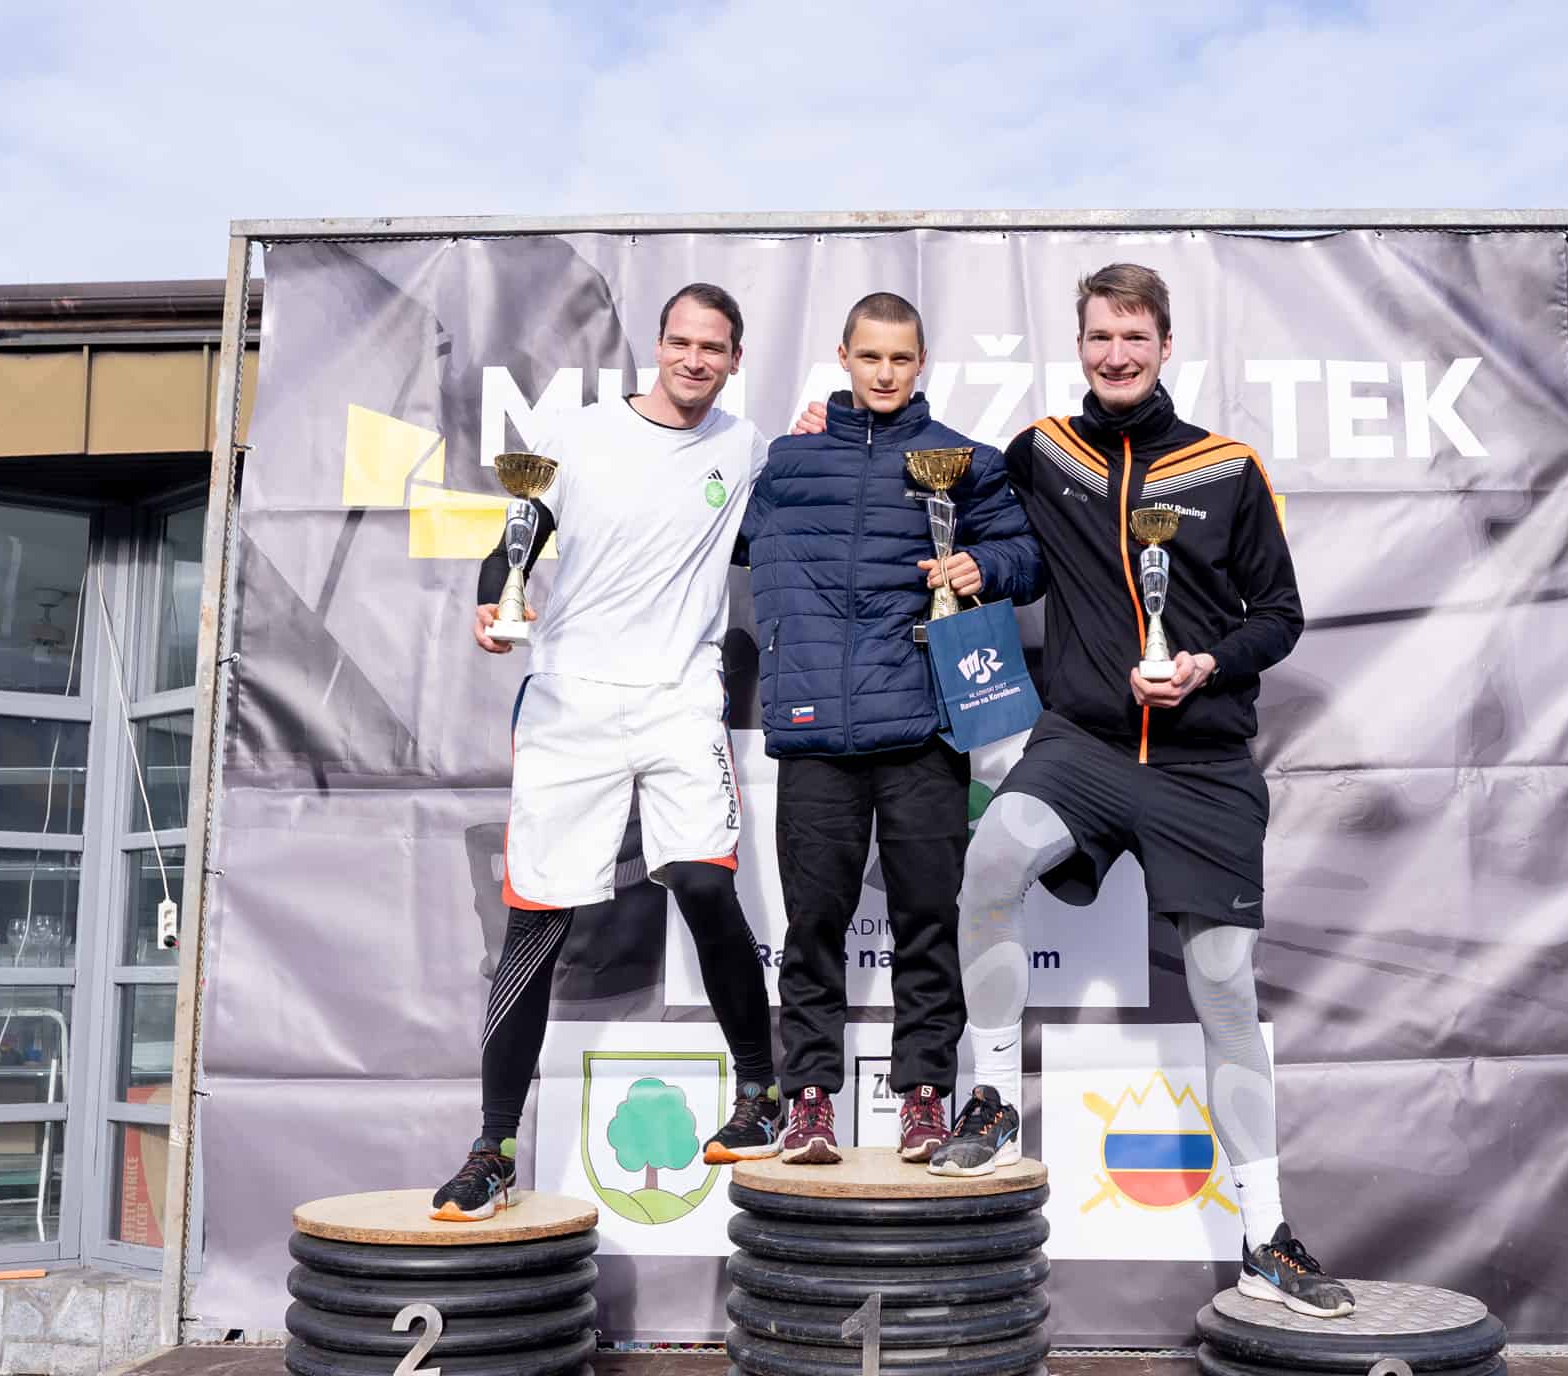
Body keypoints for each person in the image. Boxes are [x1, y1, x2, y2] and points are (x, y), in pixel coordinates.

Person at [868, 262, 1350, 1315]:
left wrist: (1207, 665)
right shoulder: (1043, 453)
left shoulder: (1228, 468)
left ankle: (1265, 1238)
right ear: (1079, 345)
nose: (1116, 354)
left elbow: (1280, 614)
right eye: (1099, 337)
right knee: (992, 859)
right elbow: (941, 477)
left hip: (1201, 764)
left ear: (1165, 346)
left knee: (1224, 990)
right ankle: (993, 1102)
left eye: (1134, 337)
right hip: (1082, 746)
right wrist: (841, 420)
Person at [433, 283, 781, 1221]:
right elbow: (520, 532)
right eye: (682, 342)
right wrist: (493, 594)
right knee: (538, 922)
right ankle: (493, 1149)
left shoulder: (746, 449)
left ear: (735, 359)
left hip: (679, 697)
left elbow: (794, 530)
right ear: (658, 346)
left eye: (714, 347)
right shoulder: (579, 437)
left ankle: (762, 1094)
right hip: (571, 700)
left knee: (704, 884)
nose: (695, 360)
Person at [741, 291, 1043, 1165]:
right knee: (812, 929)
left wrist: (981, 564)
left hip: (923, 731)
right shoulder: (787, 463)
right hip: (817, 735)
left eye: (900, 358)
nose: (884, 372)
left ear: (921, 364)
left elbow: (1028, 558)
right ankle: (808, 1102)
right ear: (842, 357)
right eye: (869, 356)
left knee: (927, 924)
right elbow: (710, 537)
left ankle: (924, 1098)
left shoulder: (963, 460)